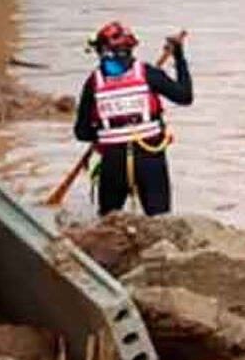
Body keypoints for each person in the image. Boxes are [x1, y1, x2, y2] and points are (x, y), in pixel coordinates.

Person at [73, 21, 192, 216]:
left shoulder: (93, 82)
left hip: (113, 161)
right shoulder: (148, 73)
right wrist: (179, 57)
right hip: (150, 157)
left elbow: (81, 132)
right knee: (160, 222)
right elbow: (185, 97)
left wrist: (102, 134)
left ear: (102, 51)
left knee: (109, 223)